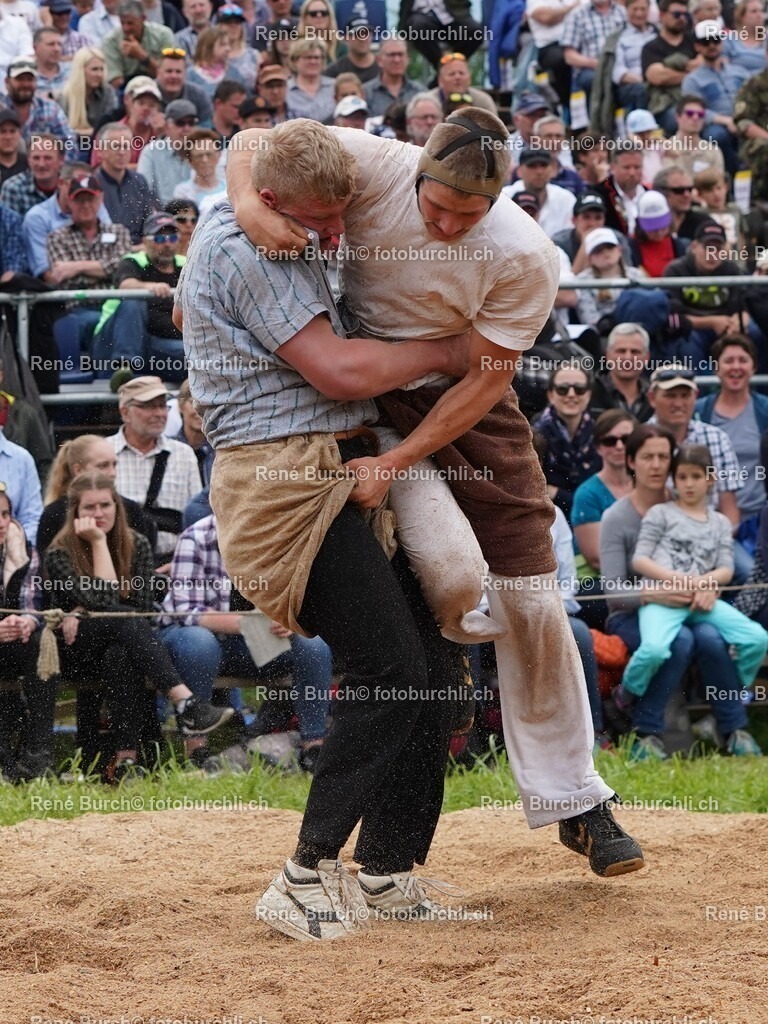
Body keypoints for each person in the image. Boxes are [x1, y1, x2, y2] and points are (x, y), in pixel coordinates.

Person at [227, 110, 644, 879]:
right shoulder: (374, 163)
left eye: (469, 212)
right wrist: (251, 206)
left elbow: (486, 378)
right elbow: (257, 142)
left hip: (465, 401)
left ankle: (577, 799)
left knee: (532, 594)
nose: (449, 224)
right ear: (417, 170)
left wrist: (400, 461)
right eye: (438, 205)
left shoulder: (526, 255)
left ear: (501, 198)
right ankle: (388, 833)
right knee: (449, 586)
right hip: (359, 398)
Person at [45, 472, 233, 779]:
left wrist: (84, 607)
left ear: (117, 507)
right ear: (75, 513)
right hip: (75, 651)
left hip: (129, 647)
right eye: (89, 508)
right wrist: (98, 544)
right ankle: (185, 703)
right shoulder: (60, 552)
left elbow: (143, 612)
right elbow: (108, 601)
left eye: (105, 505)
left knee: (121, 651)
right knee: (125, 626)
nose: (98, 514)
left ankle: (126, 762)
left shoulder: (139, 545)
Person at [600, 423, 760, 758]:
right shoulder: (618, 517)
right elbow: (611, 591)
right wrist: (655, 594)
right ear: (631, 461)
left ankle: (732, 729)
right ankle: (647, 734)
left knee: (712, 639)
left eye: (663, 457)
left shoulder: (689, 504)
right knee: (681, 641)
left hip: (687, 606)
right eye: (647, 457)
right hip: (633, 611)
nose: (656, 464)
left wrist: (708, 589)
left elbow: (709, 565)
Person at [159, 512, 333, 769]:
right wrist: (250, 623)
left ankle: (313, 748)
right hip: (200, 641)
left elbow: (301, 598)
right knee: (198, 642)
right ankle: (196, 750)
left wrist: (289, 619)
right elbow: (186, 611)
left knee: (313, 643)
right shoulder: (195, 537)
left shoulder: (280, 534)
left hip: (258, 644)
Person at [0, 486, 54, 782]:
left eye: (5, 514)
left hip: (14, 642)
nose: (1, 522)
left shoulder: (24, 548)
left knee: (42, 642)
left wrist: (27, 622)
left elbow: (33, 606)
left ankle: (38, 754)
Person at [93, 213, 186, 381]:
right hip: (114, 341)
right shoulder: (132, 261)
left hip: (159, 344)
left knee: (199, 358)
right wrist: (151, 287)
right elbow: (126, 286)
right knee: (134, 301)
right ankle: (124, 368)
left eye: (172, 238)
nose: (166, 244)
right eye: (159, 238)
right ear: (145, 242)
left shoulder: (186, 265)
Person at [45, 172, 132, 351]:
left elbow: (123, 268)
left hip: (113, 303)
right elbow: (62, 275)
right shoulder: (57, 236)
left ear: (100, 199)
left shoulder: (119, 231)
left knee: (131, 313)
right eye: (79, 200)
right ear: (69, 202)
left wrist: (76, 267)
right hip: (78, 307)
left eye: (90, 199)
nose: (85, 205)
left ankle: (124, 368)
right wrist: (105, 269)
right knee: (94, 322)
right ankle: (112, 372)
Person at [695, 334, 768, 546]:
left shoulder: (764, 410)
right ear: (716, 368)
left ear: (753, 367)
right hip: (710, 519)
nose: (736, 367)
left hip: (759, 518)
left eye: (743, 360)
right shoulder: (698, 411)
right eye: (728, 361)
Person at [38, 432, 157, 558]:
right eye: (103, 466)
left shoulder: (131, 510)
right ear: (78, 470)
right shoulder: (53, 514)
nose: (112, 473)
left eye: (114, 465)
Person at [571, 409, 637, 588]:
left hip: (645, 577)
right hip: (596, 582)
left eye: (626, 439)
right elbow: (598, 559)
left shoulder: (650, 487)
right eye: (609, 441)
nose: (619, 446)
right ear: (598, 447)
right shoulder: (587, 493)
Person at [532, 363, 601, 517]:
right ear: (551, 394)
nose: (571, 394)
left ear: (589, 394)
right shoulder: (534, 435)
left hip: (593, 516)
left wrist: (558, 493)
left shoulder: (602, 433)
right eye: (562, 389)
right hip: (550, 518)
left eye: (579, 389)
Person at [93, 122, 157, 244]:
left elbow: (148, 221)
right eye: (116, 146)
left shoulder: (139, 182)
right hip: (106, 248)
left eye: (126, 146)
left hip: (140, 250)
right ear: (101, 151)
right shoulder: (93, 183)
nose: (122, 152)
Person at [641, 0, 698, 134]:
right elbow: (658, 77)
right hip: (667, 103)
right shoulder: (651, 47)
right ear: (662, 16)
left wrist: (671, 71)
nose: (682, 19)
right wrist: (690, 71)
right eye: (677, 14)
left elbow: (704, 63)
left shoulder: (694, 40)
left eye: (685, 14)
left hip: (697, 97)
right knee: (677, 121)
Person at [0, 56, 77, 150]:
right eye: (20, 79)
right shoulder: (1, 107)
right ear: (7, 82)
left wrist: (60, 162)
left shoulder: (51, 109)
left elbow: (70, 142)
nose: (25, 84)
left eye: (30, 79)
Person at [575, 227, 643, 330]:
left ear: (619, 250)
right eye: (598, 251)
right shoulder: (581, 281)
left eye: (610, 247)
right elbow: (590, 319)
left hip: (637, 329)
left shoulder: (636, 275)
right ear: (590, 259)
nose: (606, 253)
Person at [562, 0, 627, 103]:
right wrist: (596, 63)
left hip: (621, 64)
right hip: (590, 68)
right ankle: (597, 118)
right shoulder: (577, 15)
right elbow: (569, 56)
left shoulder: (622, 12)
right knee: (593, 80)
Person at [503, 148, 576, 240]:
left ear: (552, 170)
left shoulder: (566, 199)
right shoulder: (504, 197)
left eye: (543, 165)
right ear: (519, 171)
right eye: (532, 166)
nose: (539, 172)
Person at [102, 0, 175, 88]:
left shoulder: (163, 35)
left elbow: (170, 75)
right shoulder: (111, 41)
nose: (126, 28)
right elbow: (116, 82)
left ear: (143, 18)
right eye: (122, 23)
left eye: (130, 23)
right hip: (126, 89)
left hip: (161, 86)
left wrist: (142, 56)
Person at [398, 0, 484, 73]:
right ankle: (444, 69)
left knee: (475, 32)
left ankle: (452, 67)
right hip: (421, 15)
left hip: (452, 14)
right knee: (417, 27)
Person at [136, 99, 196, 204]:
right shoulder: (151, 152)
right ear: (167, 127)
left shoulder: (203, 153)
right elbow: (143, 193)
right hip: (163, 216)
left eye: (191, 123)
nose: (187, 128)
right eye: (180, 123)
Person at [591, 322, 653, 421]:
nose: (627, 358)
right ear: (608, 355)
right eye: (621, 351)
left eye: (635, 352)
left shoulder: (655, 396)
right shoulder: (588, 393)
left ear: (647, 357)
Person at [59, 46, 118, 150]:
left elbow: (109, 130)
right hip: (72, 146)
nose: (99, 74)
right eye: (94, 69)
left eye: (101, 69)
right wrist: (92, 132)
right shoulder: (65, 95)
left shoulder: (108, 93)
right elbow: (63, 132)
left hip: (101, 147)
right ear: (81, 70)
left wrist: (81, 132)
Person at [0, 131, 65, 219]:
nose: (41, 164)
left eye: (48, 158)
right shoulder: (13, 188)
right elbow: (10, 230)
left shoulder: (69, 187)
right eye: (36, 158)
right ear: (28, 160)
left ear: (61, 160)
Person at [662, 95, 726, 179]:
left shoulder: (714, 151)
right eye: (690, 114)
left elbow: (718, 183)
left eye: (700, 114)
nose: (695, 118)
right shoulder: (666, 149)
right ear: (678, 117)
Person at [363, 38, 424, 119]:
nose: (396, 60)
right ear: (379, 60)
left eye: (400, 54)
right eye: (392, 55)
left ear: (408, 59)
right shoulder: (366, 93)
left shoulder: (420, 92)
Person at [153, 47, 213, 127]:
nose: (174, 76)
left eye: (178, 72)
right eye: (169, 71)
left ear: (185, 74)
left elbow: (207, 126)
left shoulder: (198, 95)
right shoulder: (148, 93)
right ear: (158, 73)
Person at [632, 189, 686, 276]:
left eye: (663, 227)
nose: (659, 232)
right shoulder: (630, 247)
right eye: (652, 229)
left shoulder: (680, 246)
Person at [425, 53, 497, 117]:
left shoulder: (483, 101)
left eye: (461, 73)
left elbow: (495, 129)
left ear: (470, 78)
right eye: (452, 74)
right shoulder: (428, 102)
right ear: (440, 80)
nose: (457, 77)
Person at [188, 25, 247, 98]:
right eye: (222, 44)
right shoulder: (190, 75)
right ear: (207, 47)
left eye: (228, 44)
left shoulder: (235, 74)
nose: (228, 49)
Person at [286, 38, 335, 123]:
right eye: (308, 57)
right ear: (295, 61)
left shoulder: (335, 86)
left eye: (317, 57)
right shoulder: (286, 89)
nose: (313, 61)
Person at [173, 127, 224, 206]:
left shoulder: (230, 188)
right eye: (199, 156)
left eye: (209, 154)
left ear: (219, 155)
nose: (205, 160)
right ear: (189, 160)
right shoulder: (183, 193)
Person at [325, 17, 376, 83]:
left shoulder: (383, 66)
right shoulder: (334, 71)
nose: (362, 39)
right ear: (346, 38)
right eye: (357, 35)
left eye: (366, 34)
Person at [0, 109, 26, 185]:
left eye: (12, 131)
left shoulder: (30, 165)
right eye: (3, 131)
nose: (8, 137)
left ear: (20, 134)